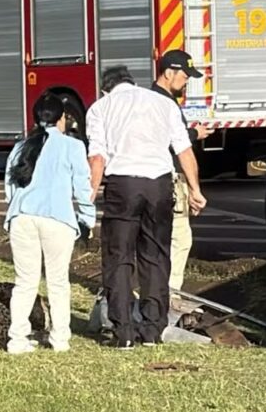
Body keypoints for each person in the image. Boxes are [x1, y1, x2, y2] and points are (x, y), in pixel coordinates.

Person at [86, 66, 207, 349]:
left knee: (119, 257)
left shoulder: (100, 108)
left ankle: (124, 331)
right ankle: (152, 329)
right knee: (155, 256)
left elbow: (97, 157)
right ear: (132, 83)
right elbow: (184, 150)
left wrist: (89, 194)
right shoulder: (163, 103)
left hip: (123, 184)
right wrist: (195, 190)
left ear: (106, 88)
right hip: (159, 185)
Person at [3, 93, 96, 354]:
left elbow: (9, 189)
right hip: (58, 220)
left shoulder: (21, 146)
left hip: (21, 218)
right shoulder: (73, 147)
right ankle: (59, 339)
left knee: (25, 281)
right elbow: (82, 188)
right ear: (61, 118)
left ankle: (17, 339)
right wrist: (87, 219)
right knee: (57, 282)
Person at [150, 50, 214, 295]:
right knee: (179, 238)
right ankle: (169, 294)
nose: (187, 81)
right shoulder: (165, 103)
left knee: (157, 238)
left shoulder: (150, 99)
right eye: (185, 75)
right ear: (168, 73)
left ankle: (154, 290)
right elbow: (179, 148)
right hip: (170, 179)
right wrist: (195, 190)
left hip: (150, 180)